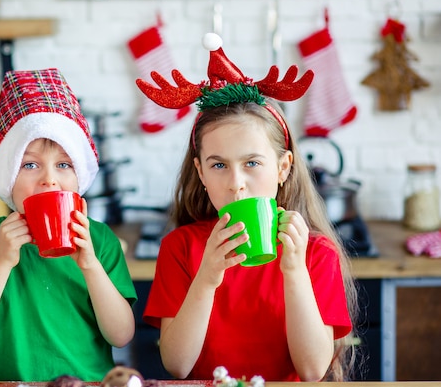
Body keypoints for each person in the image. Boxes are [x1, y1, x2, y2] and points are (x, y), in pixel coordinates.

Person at [137, 33, 357, 382]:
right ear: (201, 173)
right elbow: (176, 365)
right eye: (219, 165)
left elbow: (314, 370)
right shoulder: (180, 248)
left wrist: (294, 271)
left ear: (283, 168)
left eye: (252, 163)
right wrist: (207, 278)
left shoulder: (316, 254)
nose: (236, 182)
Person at [0, 68, 137, 382]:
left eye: (64, 164)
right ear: (8, 174)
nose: (49, 178)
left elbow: (121, 336)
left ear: (79, 178)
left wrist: (89, 265)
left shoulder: (100, 242)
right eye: (30, 164)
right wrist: (2, 262)